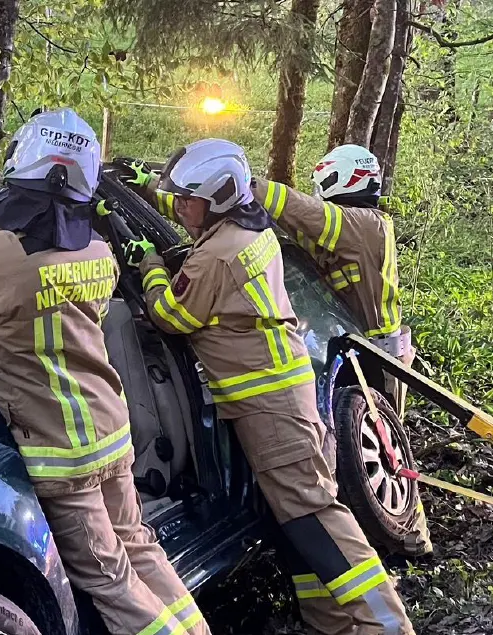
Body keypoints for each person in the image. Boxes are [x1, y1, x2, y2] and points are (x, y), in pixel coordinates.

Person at [0, 108, 211, 635]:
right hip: (111, 434)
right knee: (139, 547)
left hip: (60, 454)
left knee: (109, 577)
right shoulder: (99, 252)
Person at [125, 139, 416, 635]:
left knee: (315, 519)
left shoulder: (217, 255)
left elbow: (171, 316)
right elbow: (194, 212)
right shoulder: (244, 226)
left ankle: (386, 625)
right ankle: (331, 625)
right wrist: (151, 188)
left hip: (270, 409)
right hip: (283, 398)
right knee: (297, 525)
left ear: (217, 198)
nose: (182, 208)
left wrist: (150, 266)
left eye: (189, 200)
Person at [248, 145, 431, 558]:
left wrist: (246, 183)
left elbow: (302, 211)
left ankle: (410, 541)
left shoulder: (361, 224)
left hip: (379, 354)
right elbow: (293, 230)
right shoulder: (355, 227)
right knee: (374, 449)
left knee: (383, 450)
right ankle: (397, 537)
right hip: (368, 350)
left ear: (339, 179)